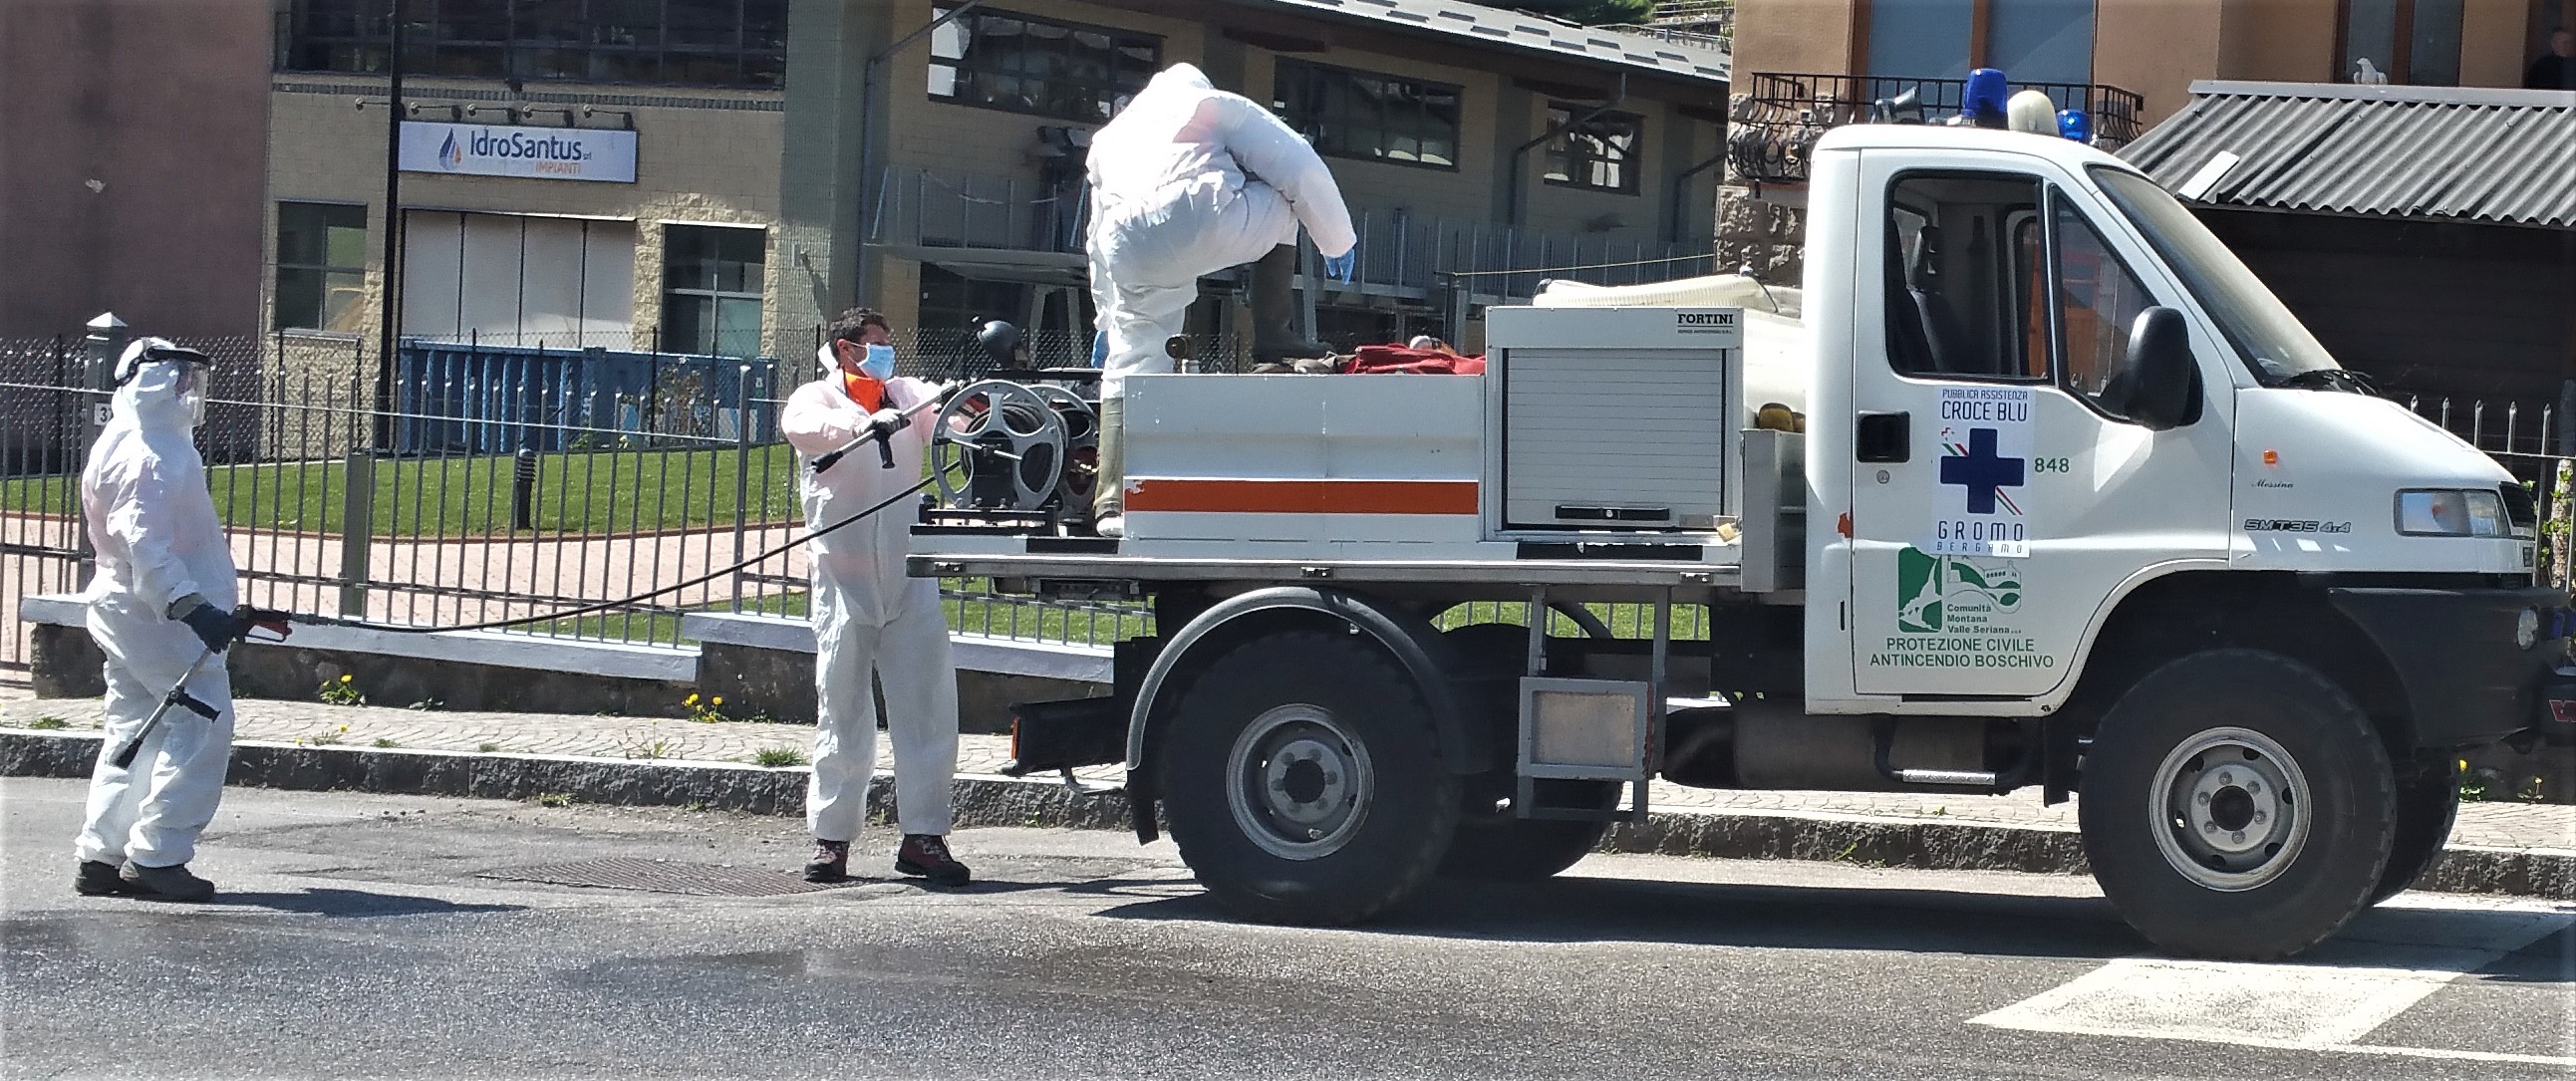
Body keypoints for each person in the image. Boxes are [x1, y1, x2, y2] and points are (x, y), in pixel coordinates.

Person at [1085, 62, 1358, 537]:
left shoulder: (1109, 138)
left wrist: (1106, 319)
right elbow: (1296, 162)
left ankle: (1112, 505)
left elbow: (1095, 236)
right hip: (1202, 211)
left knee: (1131, 364)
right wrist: (1337, 239)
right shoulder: (1212, 104)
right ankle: (1272, 335)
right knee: (1284, 202)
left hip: (1127, 243)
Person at [777, 308, 971, 888]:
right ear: (845, 349)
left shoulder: (909, 393)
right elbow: (806, 431)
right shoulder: (815, 398)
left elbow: (951, 425)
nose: (886, 354)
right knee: (842, 709)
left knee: (928, 709)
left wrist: (967, 408)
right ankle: (832, 840)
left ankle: (924, 838)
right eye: (876, 345)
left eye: (889, 345)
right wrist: (866, 427)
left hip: (910, 577)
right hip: (843, 581)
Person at [73, 339, 241, 903]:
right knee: (202, 720)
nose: (186, 389)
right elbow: (145, 544)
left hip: (130, 608)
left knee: (135, 727)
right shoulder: (151, 452)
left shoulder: (130, 441)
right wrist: (194, 609)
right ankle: (158, 854)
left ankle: (102, 854)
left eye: (191, 378)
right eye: (176, 377)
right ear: (146, 380)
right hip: (158, 616)